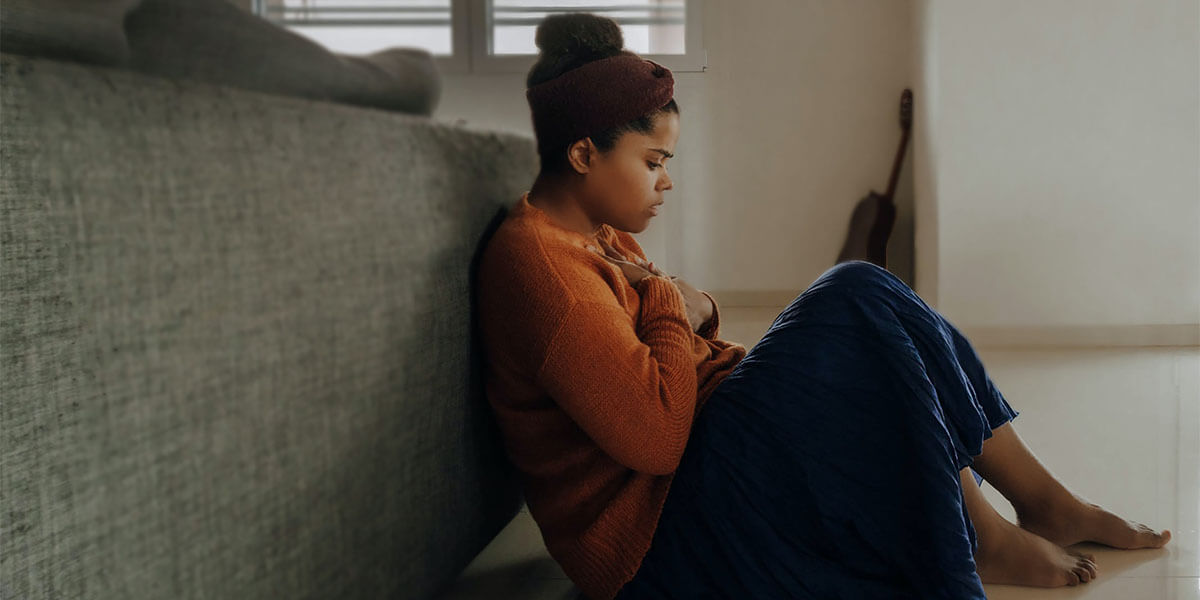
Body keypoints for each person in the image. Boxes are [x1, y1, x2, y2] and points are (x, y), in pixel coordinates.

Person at [474, 13, 1171, 600]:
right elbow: (655, 438)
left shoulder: (592, 231)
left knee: (862, 296)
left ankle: (1042, 504)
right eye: (654, 162)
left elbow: (678, 334)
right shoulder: (543, 270)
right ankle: (982, 537)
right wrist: (665, 296)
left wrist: (696, 309)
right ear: (583, 153)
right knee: (853, 296)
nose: (666, 184)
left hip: (695, 469)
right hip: (656, 538)